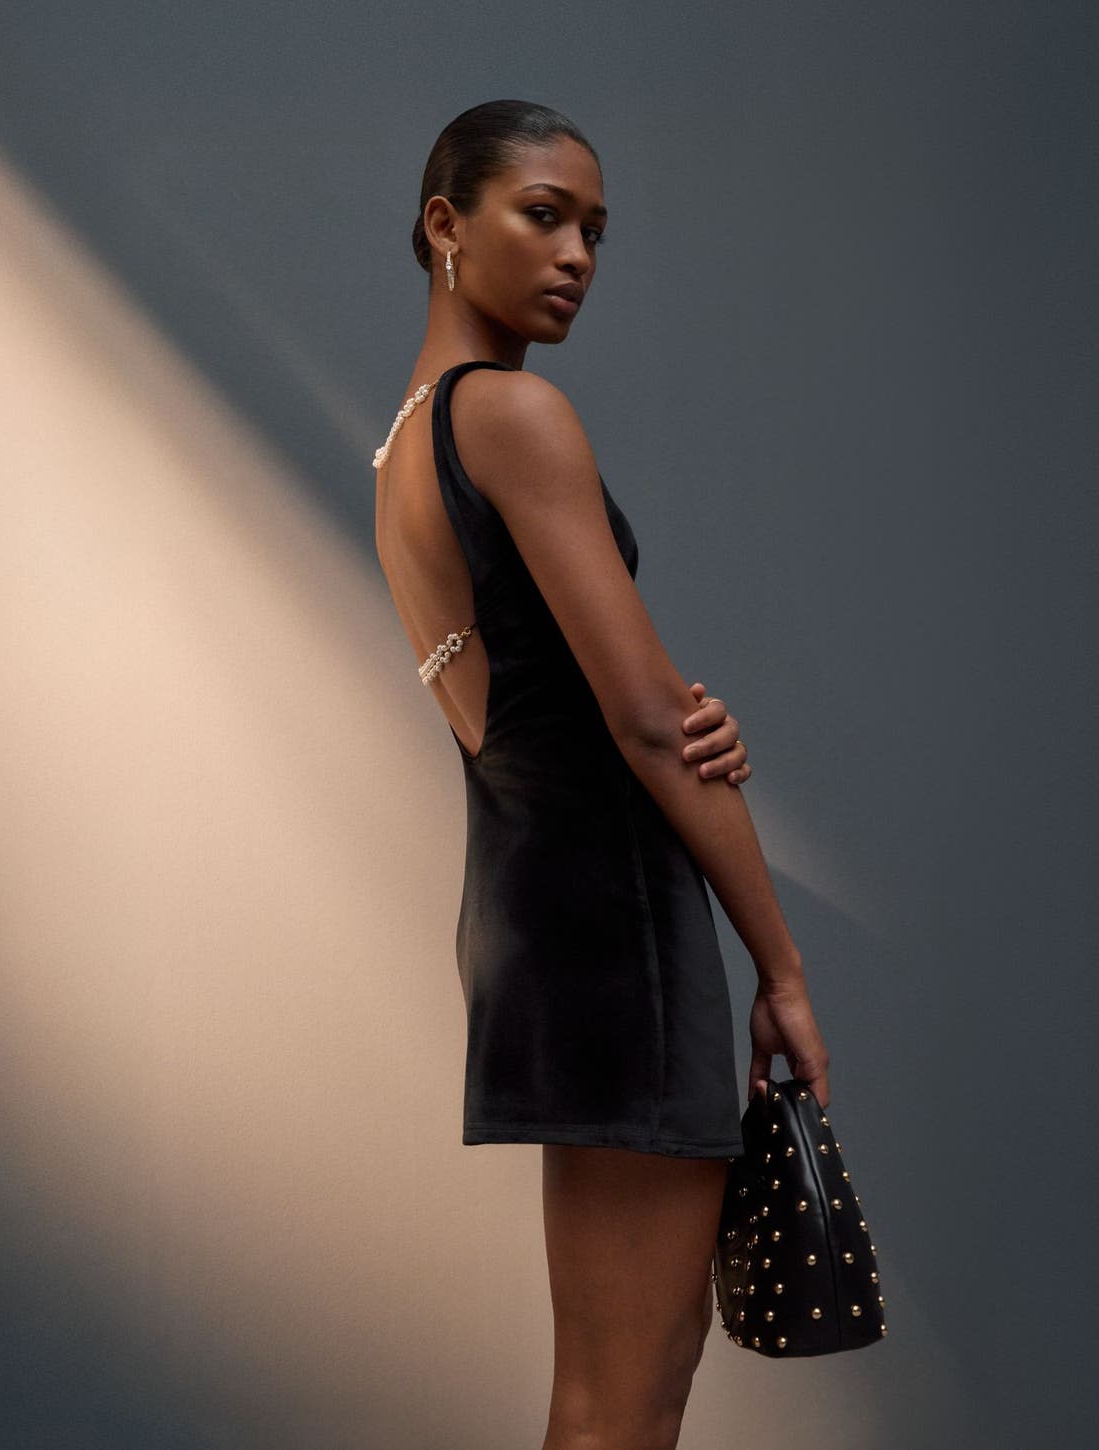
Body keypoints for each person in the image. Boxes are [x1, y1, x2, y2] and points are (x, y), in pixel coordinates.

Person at [373, 99, 831, 1450]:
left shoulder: (406, 444)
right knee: (631, 1392)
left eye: (595, 230)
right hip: (616, 928)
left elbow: (515, 718)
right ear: (447, 224)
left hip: (533, 920)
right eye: (543, 213)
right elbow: (642, 725)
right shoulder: (514, 415)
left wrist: (663, 718)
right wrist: (783, 969)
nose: (577, 252)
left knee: (609, 1382)